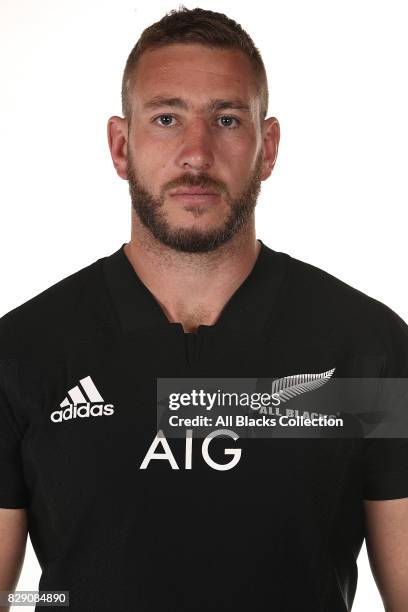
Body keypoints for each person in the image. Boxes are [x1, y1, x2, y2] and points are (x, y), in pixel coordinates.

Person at [0, 6, 407, 612]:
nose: (196, 153)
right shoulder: (24, 350)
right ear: (120, 145)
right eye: (166, 118)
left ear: (266, 148)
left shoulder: (365, 348)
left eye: (226, 119)